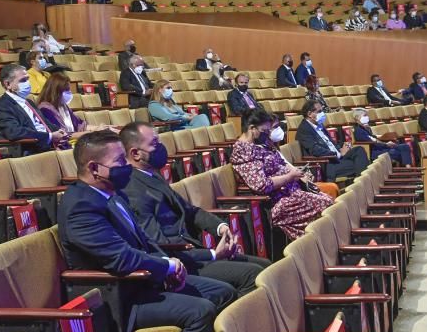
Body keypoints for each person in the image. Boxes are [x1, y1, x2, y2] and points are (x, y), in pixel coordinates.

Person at [58, 131, 236, 332]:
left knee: (224, 292)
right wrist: (167, 267)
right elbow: (122, 258)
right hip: (120, 297)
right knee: (201, 312)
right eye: (119, 161)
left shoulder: (111, 193)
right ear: (94, 169)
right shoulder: (80, 208)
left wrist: (167, 267)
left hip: (146, 281)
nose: (126, 166)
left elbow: (145, 241)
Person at [120, 123, 269, 295]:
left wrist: (221, 228)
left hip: (193, 251)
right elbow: (158, 245)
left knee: (265, 266)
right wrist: (213, 254)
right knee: (253, 275)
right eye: (154, 144)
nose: (160, 147)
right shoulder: (133, 190)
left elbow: (190, 211)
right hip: (182, 261)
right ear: (135, 153)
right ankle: (232, 321)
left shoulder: (151, 175)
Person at [231, 109, 333, 239]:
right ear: (252, 128)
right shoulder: (243, 151)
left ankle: (317, 245)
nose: (267, 134)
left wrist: (298, 173)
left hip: (291, 193)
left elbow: (280, 162)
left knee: (329, 204)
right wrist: (290, 176)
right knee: (326, 206)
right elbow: (261, 185)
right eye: (265, 131)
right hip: (274, 203)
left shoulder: (261, 144)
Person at [0, 64, 66, 151]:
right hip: (30, 150)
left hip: (49, 146)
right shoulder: (3, 107)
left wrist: (60, 132)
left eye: (27, 79)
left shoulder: (29, 102)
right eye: (23, 80)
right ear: (8, 84)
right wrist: (50, 136)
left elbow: (46, 123)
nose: (27, 83)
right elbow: (15, 133)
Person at [296, 100, 369, 181]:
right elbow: (315, 150)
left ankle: (361, 184)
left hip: (337, 158)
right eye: (319, 111)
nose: (322, 113)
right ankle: (362, 184)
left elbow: (331, 142)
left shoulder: (319, 125)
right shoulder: (304, 130)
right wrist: (337, 154)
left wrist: (341, 147)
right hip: (327, 163)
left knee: (359, 150)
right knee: (363, 164)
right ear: (309, 114)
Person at [37, 73, 116, 138]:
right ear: (56, 91)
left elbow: (80, 125)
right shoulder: (45, 109)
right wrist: (94, 132)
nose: (69, 92)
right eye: (66, 90)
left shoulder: (63, 106)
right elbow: (63, 135)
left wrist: (101, 128)